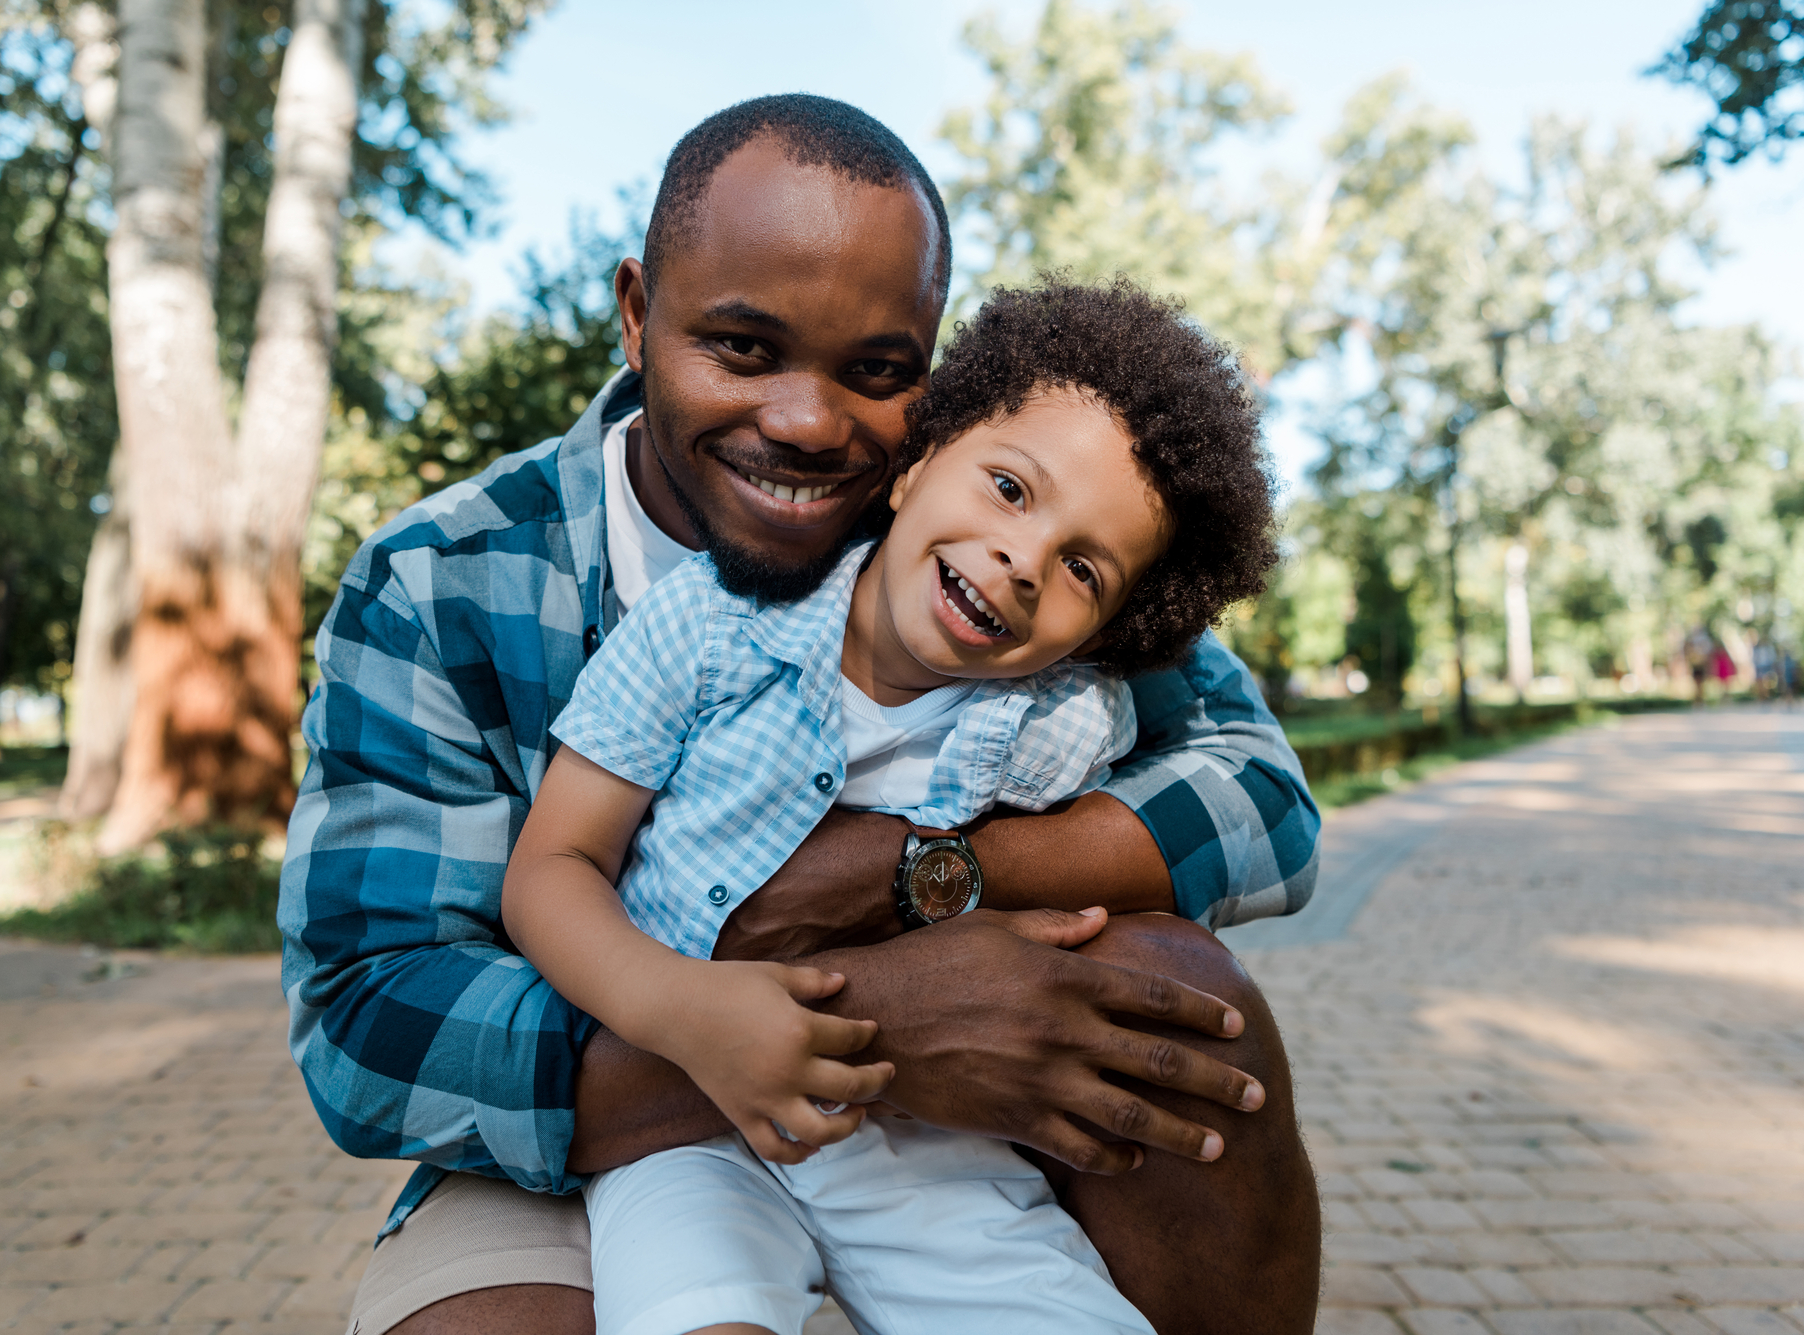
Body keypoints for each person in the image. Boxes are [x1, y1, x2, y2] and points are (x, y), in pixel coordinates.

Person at [282, 95, 1323, 1335]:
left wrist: (930, 874)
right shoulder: (446, 576)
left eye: (876, 373)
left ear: (930, 395)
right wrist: (868, 1019)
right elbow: (372, 1021)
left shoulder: (990, 549)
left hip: (947, 1148)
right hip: (620, 1112)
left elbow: (1262, 797)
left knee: (1183, 1002)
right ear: (633, 316)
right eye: (739, 348)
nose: (807, 422)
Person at [502, 278, 1276, 1335]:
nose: (1021, 561)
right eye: (1009, 489)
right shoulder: (705, 629)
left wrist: (981, 902)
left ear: (1102, 633)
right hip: (687, 1129)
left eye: (1082, 569)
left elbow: (1259, 793)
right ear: (917, 461)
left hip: (921, 1140)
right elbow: (553, 868)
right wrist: (683, 1010)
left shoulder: (1064, 722)